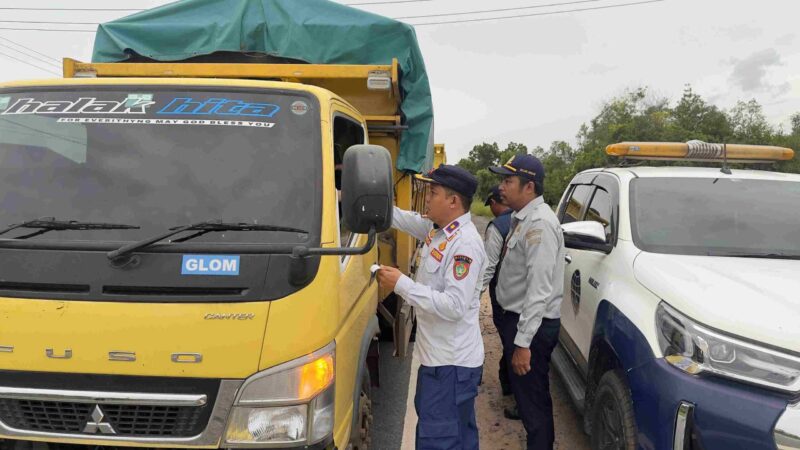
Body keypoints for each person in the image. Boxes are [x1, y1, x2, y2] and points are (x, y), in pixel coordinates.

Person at [376, 164, 486, 450]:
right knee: (458, 437)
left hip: (450, 365)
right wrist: (353, 199)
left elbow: (453, 306)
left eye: (432, 192)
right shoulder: (440, 232)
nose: (426, 198)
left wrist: (401, 283)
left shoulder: (464, 245)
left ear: (453, 201)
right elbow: (403, 219)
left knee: (438, 440)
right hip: (443, 360)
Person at [488, 155, 566, 450]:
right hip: (519, 322)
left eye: (507, 181)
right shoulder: (524, 218)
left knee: (533, 403)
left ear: (529, 186)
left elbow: (539, 290)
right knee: (527, 398)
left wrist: (522, 344)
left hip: (530, 328)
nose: (501, 188)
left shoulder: (540, 225)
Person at [481, 186, 515, 403]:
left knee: (509, 340)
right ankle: (508, 380)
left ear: (494, 203)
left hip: (502, 294)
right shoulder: (523, 218)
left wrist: (474, 295)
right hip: (521, 294)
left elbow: (489, 267)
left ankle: (510, 385)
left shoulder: (497, 227)